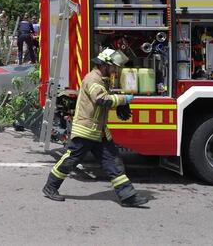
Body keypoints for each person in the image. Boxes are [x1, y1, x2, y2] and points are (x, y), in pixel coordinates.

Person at [42, 48, 149, 207]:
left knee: (114, 163)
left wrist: (119, 104)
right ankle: (50, 186)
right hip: (86, 131)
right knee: (70, 160)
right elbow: (101, 99)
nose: (114, 70)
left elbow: (104, 100)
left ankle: (128, 196)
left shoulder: (102, 79)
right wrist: (123, 99)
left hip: (98, 132)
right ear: (104, 65)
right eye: (112, 66)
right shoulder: (92, 79)